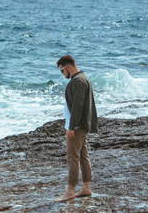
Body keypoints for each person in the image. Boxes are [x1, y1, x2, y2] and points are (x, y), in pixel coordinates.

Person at [54, 55, 98, 202]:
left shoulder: (78, 81)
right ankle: (86, 188)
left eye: (62, 71)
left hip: (77, 126)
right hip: (81, 125)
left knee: (72, 157)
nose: (62, 74)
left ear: (68, 67)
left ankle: (70, 191)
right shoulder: (81, 79)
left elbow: (78, 107)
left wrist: (71, 127)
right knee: (83, 156)